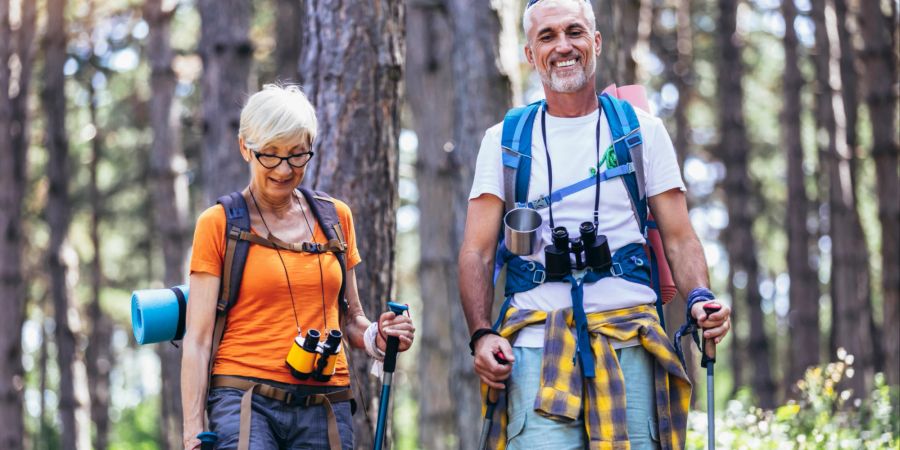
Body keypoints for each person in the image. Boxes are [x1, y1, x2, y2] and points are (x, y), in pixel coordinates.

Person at [458, 1, 731, 448]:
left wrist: (700, 297)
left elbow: (680, 239)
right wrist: (481, 335)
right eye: (547, 36)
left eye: (575, 32)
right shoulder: (504, 140)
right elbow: (477, 251)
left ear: (596, 42)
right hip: (534, 343)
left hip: (631, 338)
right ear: (530, 54)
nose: (563, 46)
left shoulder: (642, 131)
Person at [181, 84, 415, 450]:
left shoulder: (336, 218)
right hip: (245, 398)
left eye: (297, 155)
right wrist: (193, 429)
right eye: (270, 155)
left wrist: (377, 338)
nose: (284, 169)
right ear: (245, 147)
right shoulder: (218, 223)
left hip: (326, 403)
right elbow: (197, 339)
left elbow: (352, 319)